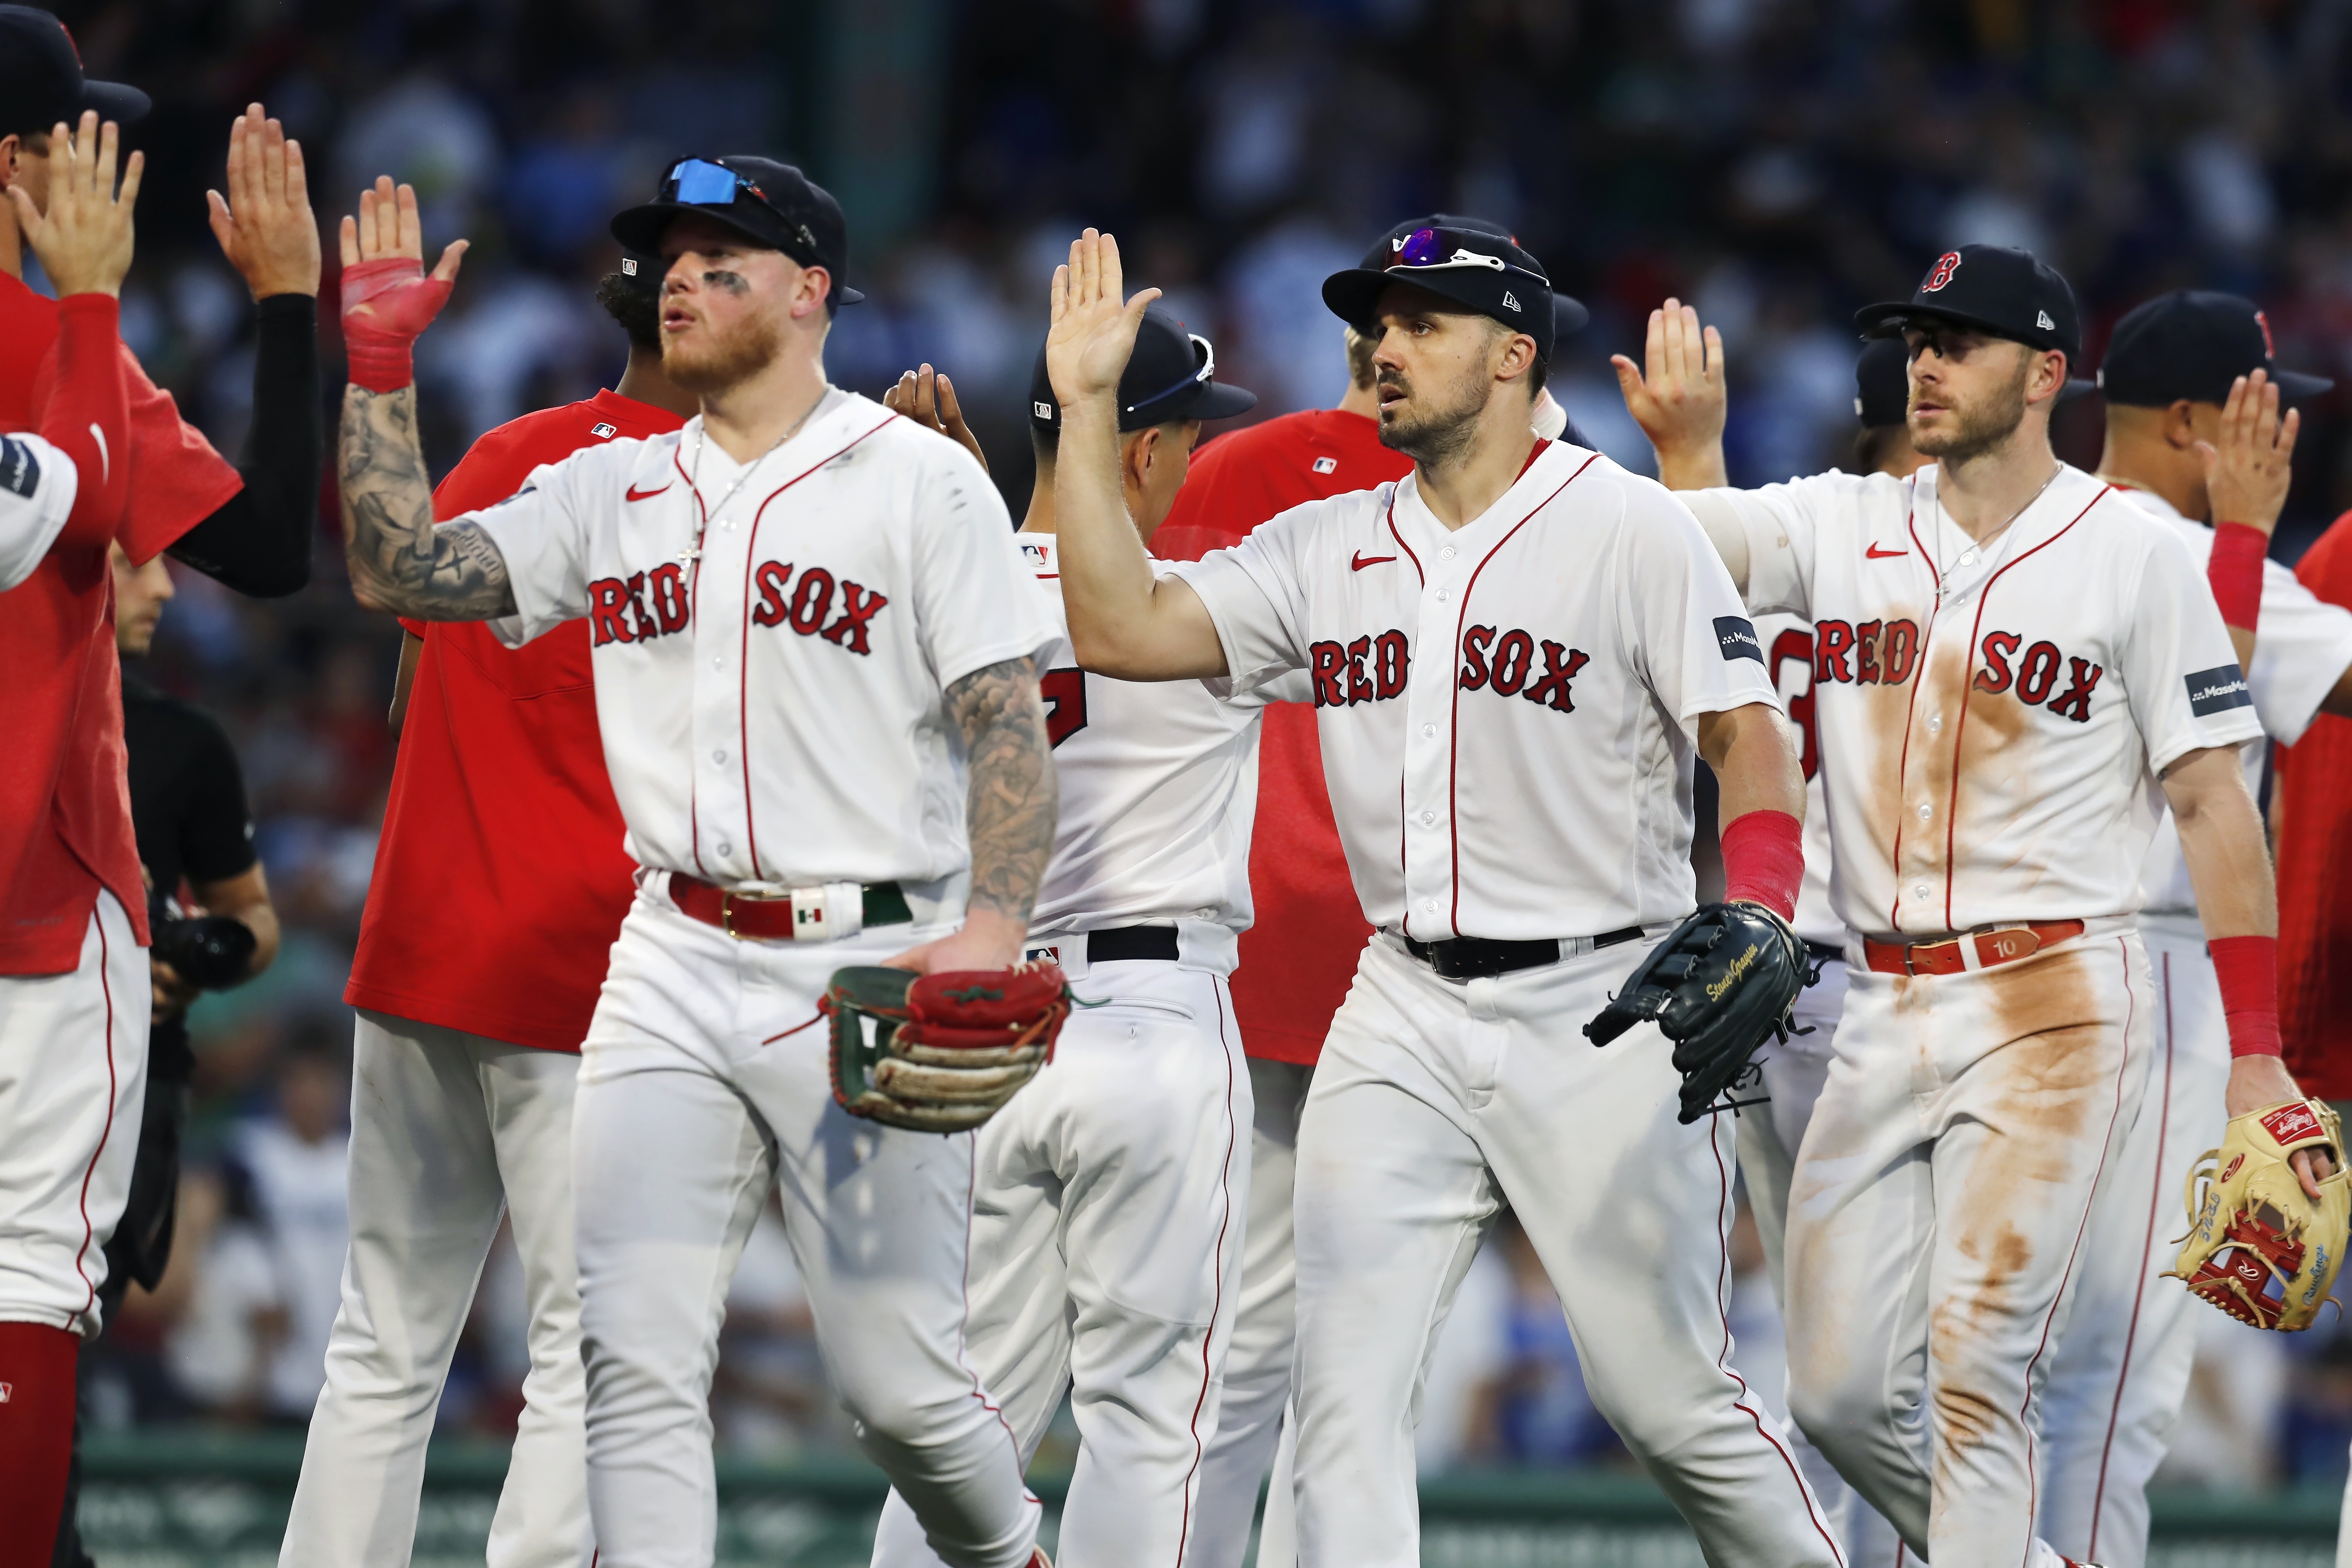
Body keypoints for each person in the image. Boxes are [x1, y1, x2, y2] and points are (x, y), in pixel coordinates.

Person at [1043, 225, 1838, 1568]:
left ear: (1516, 353)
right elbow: (1122, 627)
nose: (1384, 346)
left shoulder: (1625, 524)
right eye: (1378, 322)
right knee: (1338, 1409)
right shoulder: (1327, 542)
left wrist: (1759, 902)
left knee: (1672, 1410)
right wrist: (1081, 408)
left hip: (1603, 1006)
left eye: (1422, 322)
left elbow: (1748, 733)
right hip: (1399, 1006)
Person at [328, 157, 1058, 1568]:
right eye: (668, 257)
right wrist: (375, 366)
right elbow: (402, 573)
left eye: (723, 257)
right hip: (665, 955)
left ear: (810, 292)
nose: (681, 278)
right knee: (630, 1366)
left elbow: (1007, 718)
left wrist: (995, 923)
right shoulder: (607, 486)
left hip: (862, 957)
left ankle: (1012, 1546)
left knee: (899, 1393)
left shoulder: (917, 480)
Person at [1616, 243, 2326, 1568]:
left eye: (1962, 341)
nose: (1927, 364)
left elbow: (2217, 805)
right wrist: (1623, 440)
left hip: (2056, 1002)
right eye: (1916, 340)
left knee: (1974, 1377)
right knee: (1833, 1395)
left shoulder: (2136, 553)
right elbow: (1666, 539)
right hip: (1876, 1001)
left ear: (2048, 371)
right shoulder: (1845, 519)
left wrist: (2256, 1057)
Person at [1143, 212, 1587, 1568]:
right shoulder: (1545, 485)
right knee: (1353, 1373)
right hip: (1464, 953)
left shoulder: (1246, 463)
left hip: (1268, 939)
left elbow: (1149, 673)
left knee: (1235, 1357)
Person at [276, 236, 697, 1568]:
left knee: (383, 1336)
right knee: (593, 1345)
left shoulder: (509, 457)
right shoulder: (734, 497)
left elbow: (411, 682)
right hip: (589, 968)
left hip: (423, 941)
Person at [866, 304, 1261, 1568]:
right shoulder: (1199, 607)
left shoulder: (942, 593)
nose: (1196, 460)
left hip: (985, 1035)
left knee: (965, 1411)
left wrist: (955, 513)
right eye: (1189, 435)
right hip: (1156, 1023)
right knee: (1148, 1417)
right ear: (1137, 451)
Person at [2033, 291, 2352, 1568]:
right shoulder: (2202, 565)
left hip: (1996, 978)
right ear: (2191, 424)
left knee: (1977, 1367)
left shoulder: (2021, 537)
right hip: (2153, 981)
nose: (2284, 434)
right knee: (2115, 1384)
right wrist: (2248, 540)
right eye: (2264, 409)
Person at [46, 540, 282, 1568]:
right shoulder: (25, 721)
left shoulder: (182, 743)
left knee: (65, 1338)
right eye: (136, 563)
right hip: (31, 1068)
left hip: (133, 1087)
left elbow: (253, 922)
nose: (166, 586)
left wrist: (192, 961)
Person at [0, 106, 141, 1568]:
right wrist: (92, 299)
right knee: (31, 1267)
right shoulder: (41, 332)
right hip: (36, 895)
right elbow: (88, 499)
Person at [2, 15, 321, 600]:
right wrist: (286, 296)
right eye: (71, 138)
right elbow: (268, 551)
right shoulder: (61, 353)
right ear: (12, 163)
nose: (85, 162)